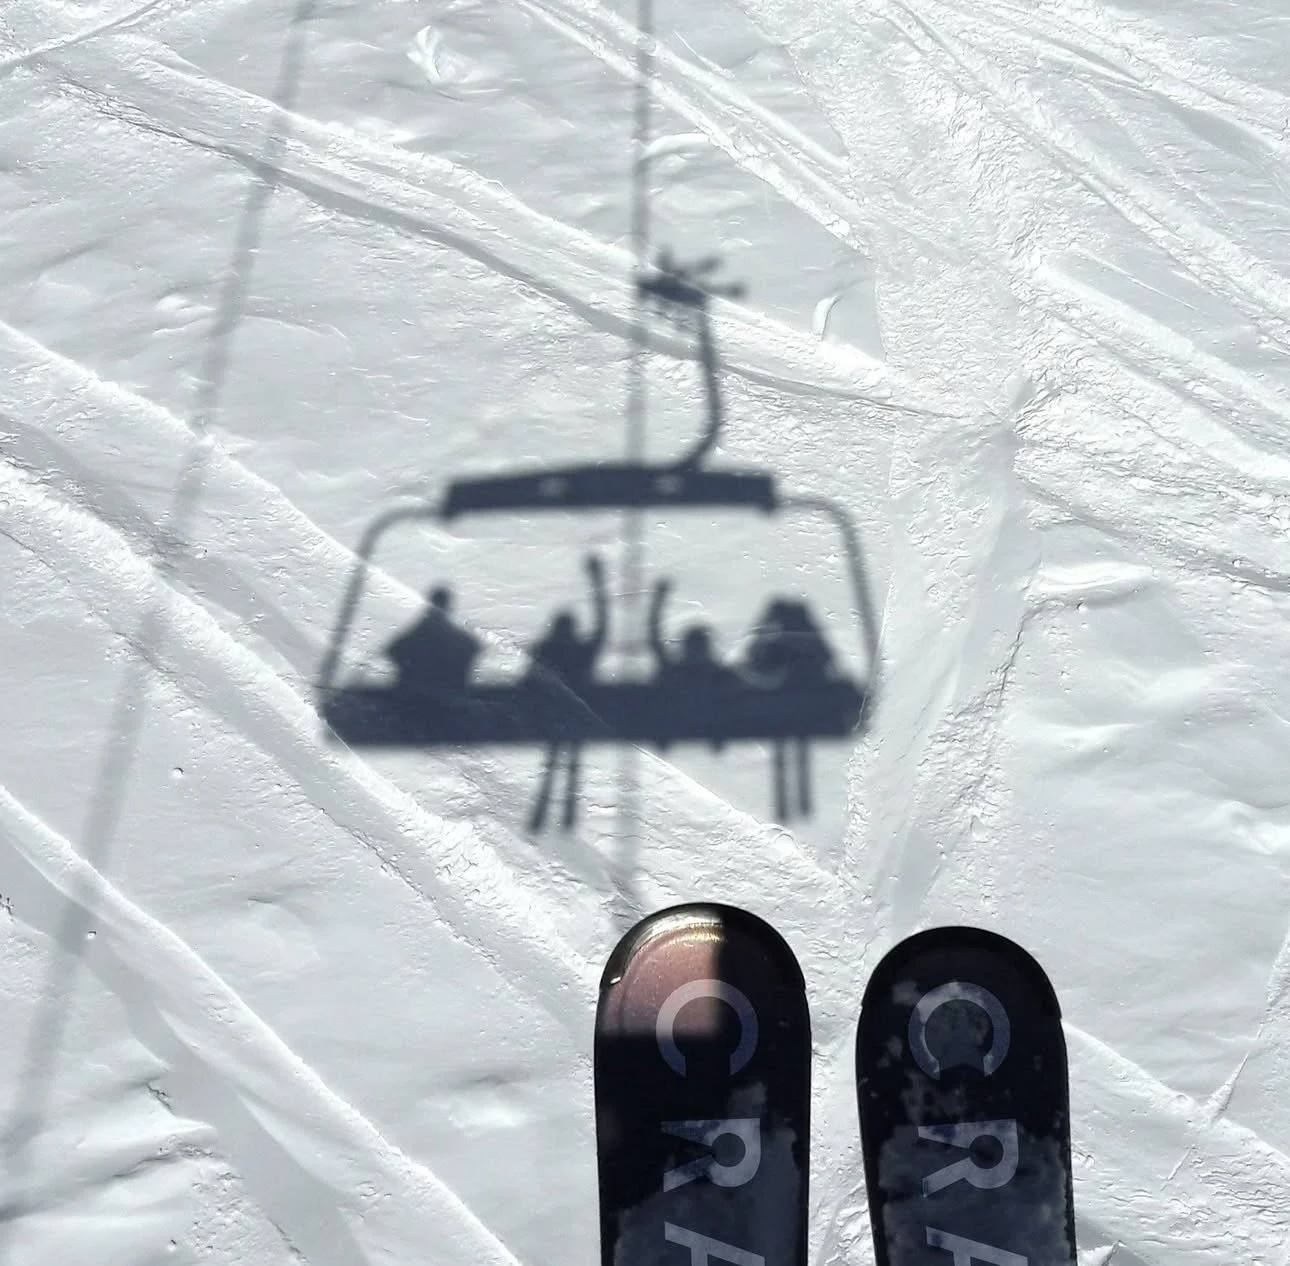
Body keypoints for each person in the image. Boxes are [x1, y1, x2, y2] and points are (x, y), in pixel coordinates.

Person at [524, 555, 608, 832]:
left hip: (554, 713)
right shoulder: (579, 650)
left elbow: (531, 676)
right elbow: (602, 629)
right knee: (571, 760)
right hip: (573, 714)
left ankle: (547, 808)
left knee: (554, 760)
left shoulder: (548, 650)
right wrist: (599, 583)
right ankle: (566, 813)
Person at [741, 597, 837, 821]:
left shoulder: (782, 644)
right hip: (795, 702)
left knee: (787, 747)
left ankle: (792, 805)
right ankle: (796, 804)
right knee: (793, 746)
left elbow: (755, 660)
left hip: (789, 702)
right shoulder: (801, 643)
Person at [647, 578, 731, 749]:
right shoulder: (714, 673)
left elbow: (654, 641)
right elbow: (654, 642)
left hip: (685, 722)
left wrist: (658, 600)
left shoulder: (682, 671)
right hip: (693, 722)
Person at [385, 586, 481, 702]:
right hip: (449, 700)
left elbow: (392, 650)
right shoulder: (456, 638)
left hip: (413, 701)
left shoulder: (420, 632)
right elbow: (474, 646)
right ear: (447, 606)